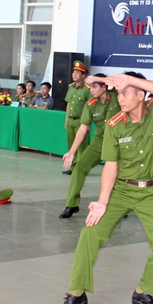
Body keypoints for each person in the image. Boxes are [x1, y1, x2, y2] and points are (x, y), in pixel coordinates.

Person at [53, 71, 153, 304]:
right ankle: (77, 294)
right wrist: (102, 202)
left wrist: (130, 79)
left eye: (125, 93)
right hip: (121, 189)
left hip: (152, 192)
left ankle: (144, 290)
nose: (120, 99)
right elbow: (111, 165)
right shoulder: (114, 125)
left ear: (140, 95)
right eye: (118, 94)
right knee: (90, 234)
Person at [60, 73, 120, 218]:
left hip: (119, 142)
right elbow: (83, 127)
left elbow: (120, 81)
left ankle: (118, 206)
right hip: (100, 141)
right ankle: (71, 204)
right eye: (90, 87)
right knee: (80, 166)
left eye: (94, 87)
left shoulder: (117, 96)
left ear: (104, 87)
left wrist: (98, 78)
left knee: (119, 173)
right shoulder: (90, 105)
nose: (91, 90)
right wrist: (72, 152)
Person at [63, 60, 91, 175]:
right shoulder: (71, 87)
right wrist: (66, 120)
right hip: (71, 120)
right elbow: (68, 104)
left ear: (83, 76)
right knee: (71, 144)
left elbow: (90, 105)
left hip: (81, 121)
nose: (74, 75)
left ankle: (81, 168)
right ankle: (73, 167)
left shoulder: (87, 89)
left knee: (81, 146)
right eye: (73, 72)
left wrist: (87, 122)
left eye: (77, 73)